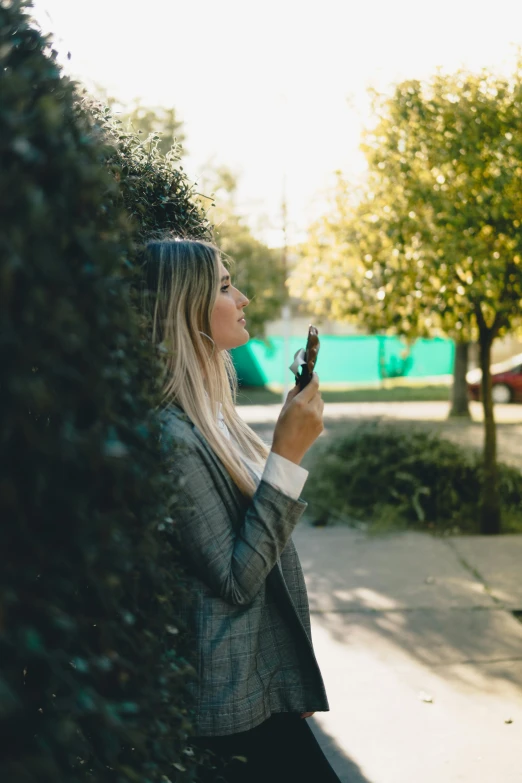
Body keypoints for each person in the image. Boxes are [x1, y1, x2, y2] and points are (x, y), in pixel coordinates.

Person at [140, 237, 341, 782]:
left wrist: (284, 677)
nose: (244, 297)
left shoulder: (210, 418)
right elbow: (234, 578)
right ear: (187, 308)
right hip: (226, 713)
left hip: (255, 688)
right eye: (227, 286)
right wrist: (287, 455)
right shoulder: (170, 436)